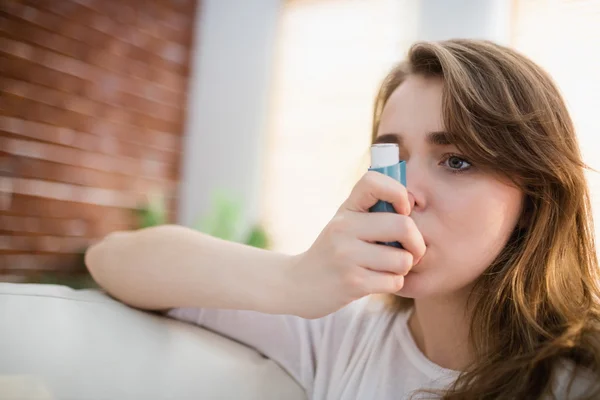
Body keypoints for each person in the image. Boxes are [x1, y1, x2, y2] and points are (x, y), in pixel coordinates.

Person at [85, 39, 600, 399]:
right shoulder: (340, 337)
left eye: (457, 161)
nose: (402, 194)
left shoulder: (581, 380)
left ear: (534, 199)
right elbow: (111, 259)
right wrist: (291, 279)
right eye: (390, 160)